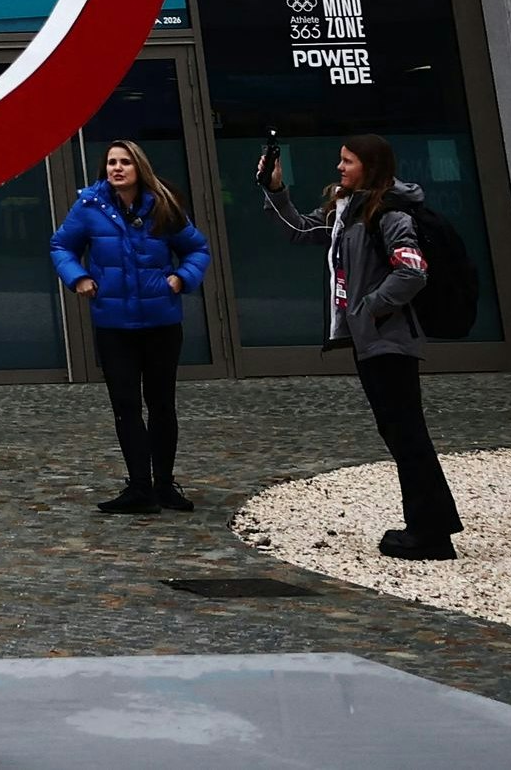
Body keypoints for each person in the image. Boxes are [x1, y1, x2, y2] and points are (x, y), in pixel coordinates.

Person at [256, 132, 465, 560]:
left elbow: (411, 271)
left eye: (347, 161)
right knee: (400, 433)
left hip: (389, 341)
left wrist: (369, 309)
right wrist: (274, 188)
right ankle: (431, 525)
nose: (339, 167)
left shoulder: (389, 214)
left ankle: (430, 534)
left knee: (406, 434)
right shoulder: (347, 210)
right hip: (372, 339)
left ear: (369, 167)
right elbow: (301, 229)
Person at [51, 139, 209, 515]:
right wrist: (79, 278)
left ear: (139, 167)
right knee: (125, 406)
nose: (116, 168)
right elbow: (61, 246)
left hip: (160, 322)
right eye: (110, 162)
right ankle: (139, 488)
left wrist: (181, 279)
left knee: (161, 405)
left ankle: (165, 485)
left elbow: (198, 249)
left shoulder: (163, 205)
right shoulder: (89, 206)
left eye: (124, 162)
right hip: (114, 323)